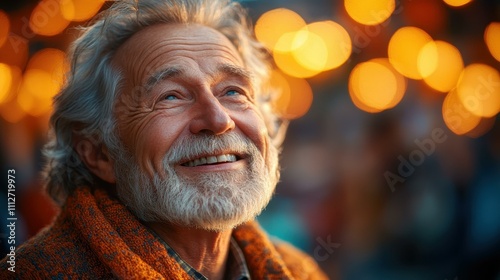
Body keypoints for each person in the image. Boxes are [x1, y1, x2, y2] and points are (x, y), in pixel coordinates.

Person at [1, 0, 327, 279]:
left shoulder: (300, 270)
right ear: (98, 152)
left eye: (233, 91)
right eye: (170, 97)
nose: (218, 120)